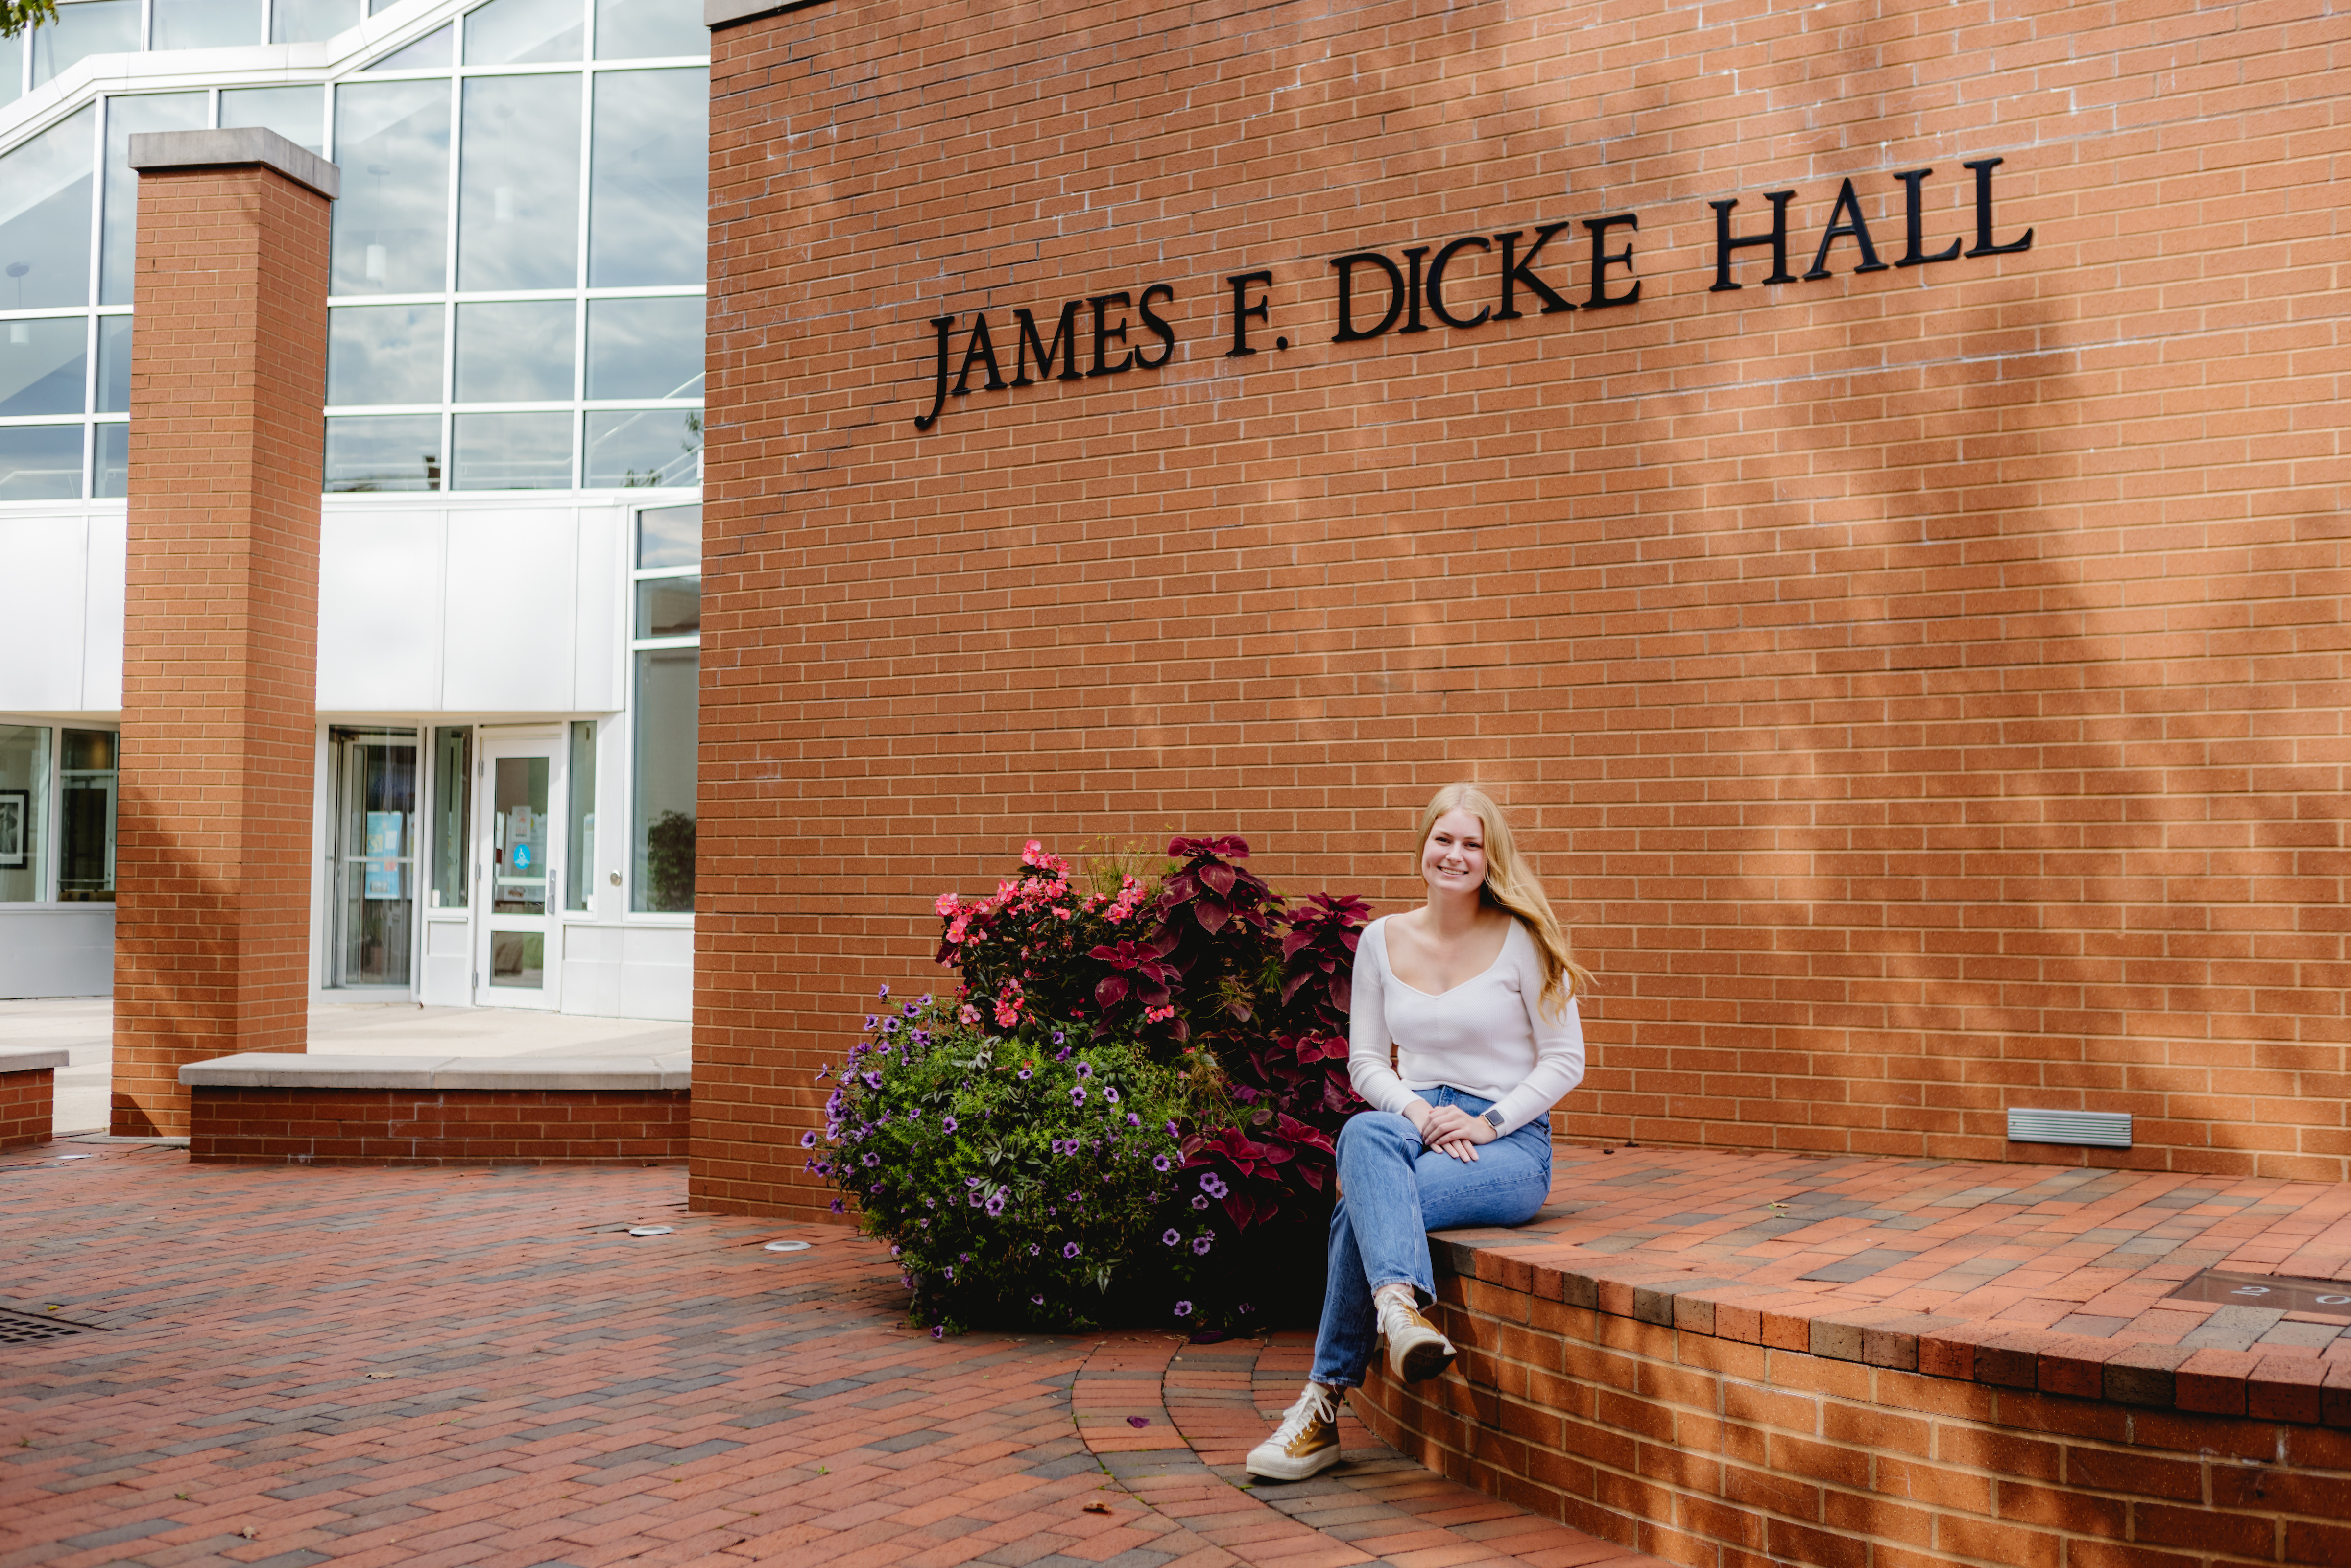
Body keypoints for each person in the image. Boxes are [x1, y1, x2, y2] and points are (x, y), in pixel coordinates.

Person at [1245, 783, 1590, 1481]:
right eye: (1444, 838)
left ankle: (1321, 1405)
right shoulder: (1381, 939)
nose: (1455, 855)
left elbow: (1565, 1060)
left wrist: (1487, 1122)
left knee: (1358, 1205)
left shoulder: (1524, 939)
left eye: (1472, 844)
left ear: (1491, 858)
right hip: (1416, 1121)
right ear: (1423, 845)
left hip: (1508, 1144)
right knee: (1366, 1133)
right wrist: (1418, 1114)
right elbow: (1367, 1063)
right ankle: (1399, 1313)